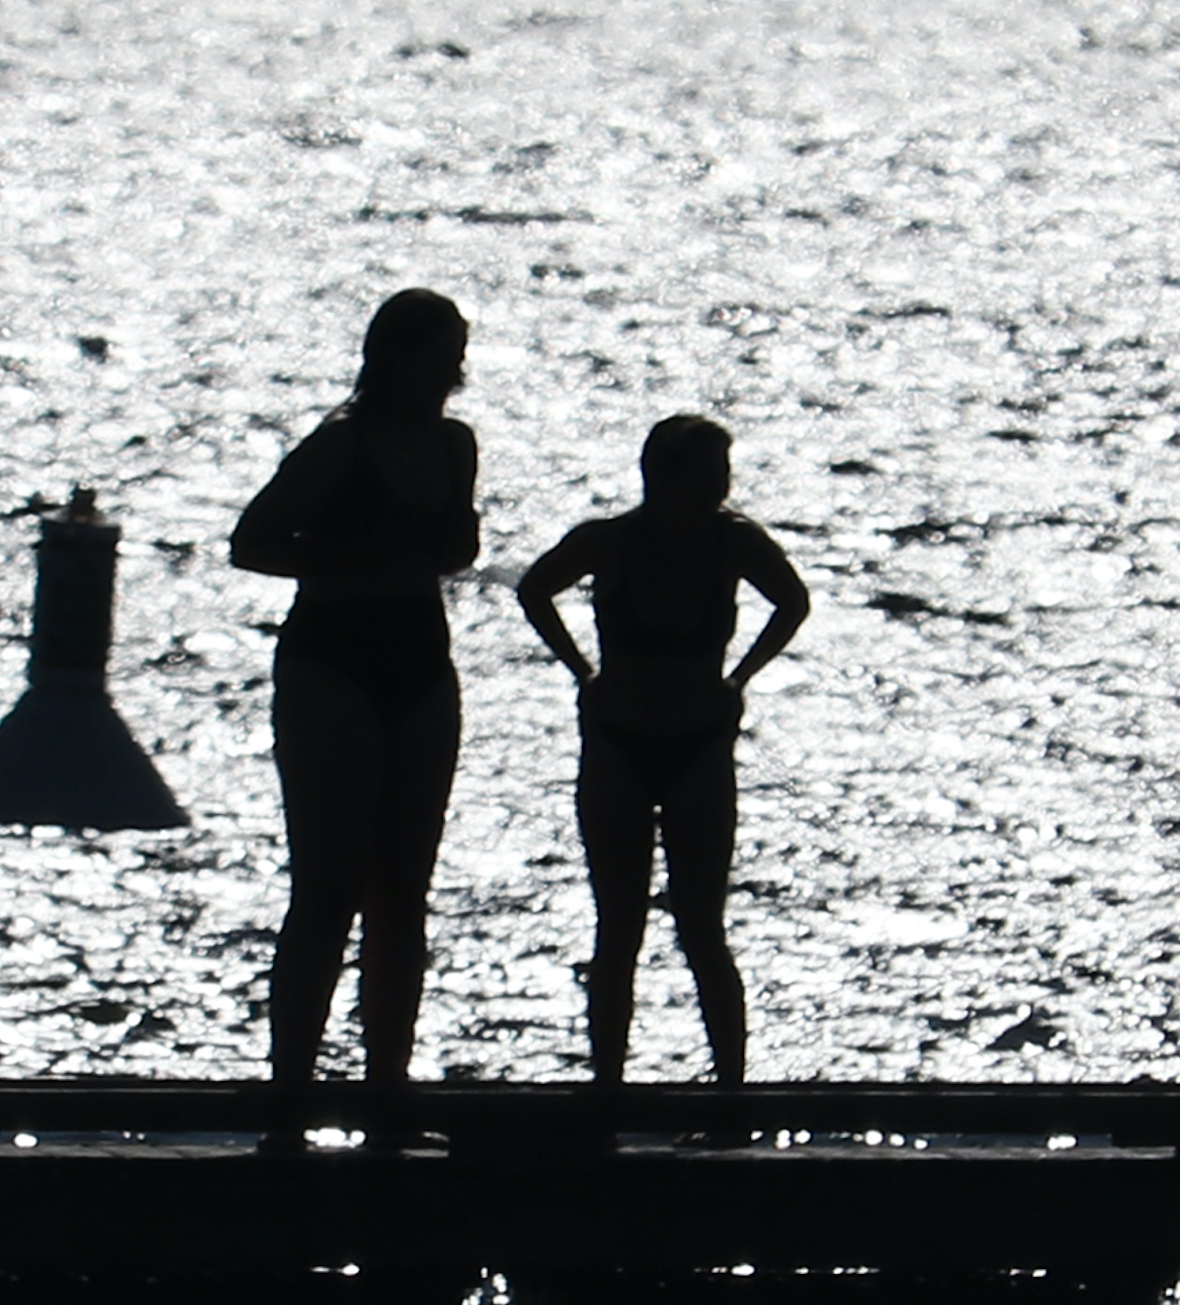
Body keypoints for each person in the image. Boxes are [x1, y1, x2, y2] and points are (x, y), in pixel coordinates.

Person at [227, 287, 480, 1105]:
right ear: (397, 359)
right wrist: (362, 552)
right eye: (441, 356)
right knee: (329, 889)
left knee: (404, 892)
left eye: (457, 357)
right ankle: (291, 1092)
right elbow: (253, 543)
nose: (452, 373)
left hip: (418, 655)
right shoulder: (339, 446)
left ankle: (387, 1091)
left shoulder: (453, 446)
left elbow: (452, 547)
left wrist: (446, 545)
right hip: (331, 657)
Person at [516, 412, 811, 1083]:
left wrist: (739, 678)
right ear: (662, 478)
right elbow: (535, 589)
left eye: (723, 476)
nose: (720, 489)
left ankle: (730, 1097)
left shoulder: (734, 542)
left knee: (703, 930)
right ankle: (608, 1097)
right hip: (619, 744)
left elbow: (793, 601)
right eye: (707, 476)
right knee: (618, 931)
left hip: (698, 748)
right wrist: (581, 670)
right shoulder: (609, 542)